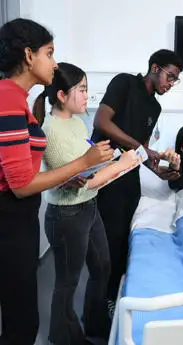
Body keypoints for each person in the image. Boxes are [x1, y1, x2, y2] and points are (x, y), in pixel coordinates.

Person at [0, 19, 113, 345]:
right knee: (21, 321)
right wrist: (84, 164)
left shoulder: (18, 99)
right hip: (10, 219)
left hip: (19, 216)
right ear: (28, 55)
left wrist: (78, 173)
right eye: (49, 53)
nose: (55, 62)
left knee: (22, 317)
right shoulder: (8, 96)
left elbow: (25, 173)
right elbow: (20, 184)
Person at [33, 62, 138, 345]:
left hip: (89, 209)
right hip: (67, 215)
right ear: (61, 96)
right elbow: (83, 181)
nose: (86, 96)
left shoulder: (78, 123)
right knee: (67, 283)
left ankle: (94, 323)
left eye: (87, 89)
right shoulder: (51, 132)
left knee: (102, 267)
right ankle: (63, 336)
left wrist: (116, 159)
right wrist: (124, 165)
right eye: (81, 89)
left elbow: (89, 165)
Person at [91, 49, 183, 313]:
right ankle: (98, 307)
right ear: (155, 68)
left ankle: (113, 299)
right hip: (105, 172)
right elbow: (102, 121)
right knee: (106, 243)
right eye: (170, 76)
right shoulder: (124, 83)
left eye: (176, 80)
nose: (171, 83)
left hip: (129, 179)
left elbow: (142, 150)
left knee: (122, 242)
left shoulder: (155, 107)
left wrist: (158, 170)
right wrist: (141, 149)